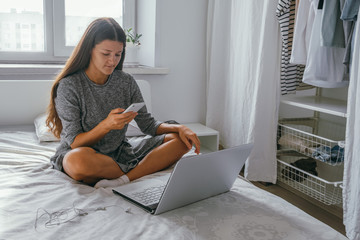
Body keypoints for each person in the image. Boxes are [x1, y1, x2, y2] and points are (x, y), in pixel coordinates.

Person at [46, 17, 201, 188]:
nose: (112, 61)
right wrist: (107, 125)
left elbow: (148, 125)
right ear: (89, 50)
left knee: (181, 141)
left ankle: (123, 179)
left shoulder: (126, 82)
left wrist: (179, 128)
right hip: (83, 153)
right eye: (105, 54)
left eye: (118, 54)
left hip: (120, 152)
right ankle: (133, 170)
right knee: (78, 162)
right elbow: (75, 142)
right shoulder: (69, 86)